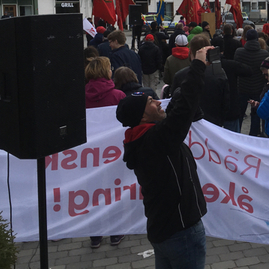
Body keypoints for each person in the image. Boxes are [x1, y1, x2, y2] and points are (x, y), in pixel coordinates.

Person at [117, 46, 210, 269]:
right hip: (181, 230)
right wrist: (197, 66)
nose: (158, 102)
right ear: (141, 116)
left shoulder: (140, 139)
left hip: (163, 229)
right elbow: (182, 113)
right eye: (151, 102)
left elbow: (176, 113)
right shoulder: (155, 140)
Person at [84, 56, 125, 248]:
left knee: (93, 193)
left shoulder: (80, 96)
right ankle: (116, 233)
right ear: (105, 72)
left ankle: (95, 234)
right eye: (110, 68)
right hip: (113, 152)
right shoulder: (117, 96)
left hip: (89, 155)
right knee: (114, 190)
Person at [169, 35, 230, 128]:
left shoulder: (180, 75)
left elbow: (174, 103)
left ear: (191, 51)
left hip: (188, 127)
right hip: (213, 125)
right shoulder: (219, 73)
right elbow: (225, 104)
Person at [234, 28, 269, 136]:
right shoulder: (264, 53)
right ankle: (253, 135)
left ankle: (237, 135)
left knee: (239, 114)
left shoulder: (239, 52)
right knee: (256, 114)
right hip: (258, 87)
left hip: (242, 87)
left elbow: (236, 68)